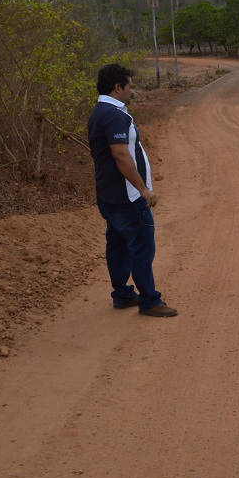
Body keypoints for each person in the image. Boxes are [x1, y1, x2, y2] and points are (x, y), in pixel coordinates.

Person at [87, 64, 178, 317]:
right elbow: (120, 154)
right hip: (127, 195)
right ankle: (149, 300)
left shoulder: (99, 112)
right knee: (141, 246)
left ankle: (123, 295)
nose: (132, 92)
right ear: (117, 88)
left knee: (116, 243)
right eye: (129, 86)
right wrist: (144, 190)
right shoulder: (114, 115)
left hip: (109, 192)